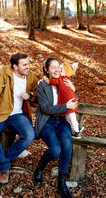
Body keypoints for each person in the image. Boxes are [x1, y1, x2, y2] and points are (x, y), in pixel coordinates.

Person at [0, 52, 38, 185]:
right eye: (24, 64)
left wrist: (30, 95)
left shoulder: (31, 77)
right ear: (15, 66)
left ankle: (0, 161)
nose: (28, 66)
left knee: (30, 135)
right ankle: (4, 168)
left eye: (28, 63)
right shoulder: (4, 74)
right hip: (0, 114)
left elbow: (39, 92)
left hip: (18, 115)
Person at [34, 57, 77, 198]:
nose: (57, 69)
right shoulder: (42, 85)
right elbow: (46, 108)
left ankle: (61, 183)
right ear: (47, 70)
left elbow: (72, 99)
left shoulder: (63, 81)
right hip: (47, 121)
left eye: (59, 66)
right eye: (53, 67)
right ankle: (40, 168)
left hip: (61, 121)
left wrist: (73, 89)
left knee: (66, 145)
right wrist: (65, 107)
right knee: (55, 150)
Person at [44, 62, 84, 138]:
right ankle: (79, 126)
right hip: (72, 100)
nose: (58, 70)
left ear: (65, 73)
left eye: (60, 69)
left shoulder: (61, 79)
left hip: (70, 102)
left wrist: (45, 79)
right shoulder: (66, 79)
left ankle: (77, 132)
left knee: (71, 118)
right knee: (69, 116)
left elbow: (50, 81)